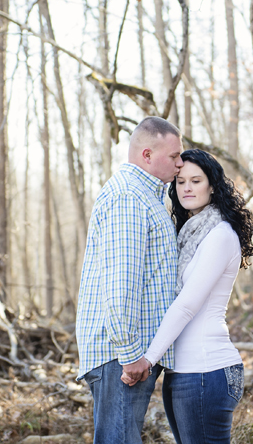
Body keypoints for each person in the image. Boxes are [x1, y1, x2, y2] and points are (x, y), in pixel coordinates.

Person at [123, 149, 253, 444]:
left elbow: (187, 304)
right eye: (181, 181)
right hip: (185, 372)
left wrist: (147, 359)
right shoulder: (189, 233)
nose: (187, 188)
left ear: (213, 185)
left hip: (206, 370)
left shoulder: (220, 234)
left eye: (196, 181)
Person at [76, 116, 184, 444]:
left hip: (128, 353)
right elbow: (122, 281)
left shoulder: (148, 196)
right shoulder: (129, 198)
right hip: (120, 356)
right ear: (147, 155)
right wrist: (130, 352)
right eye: (174, 156)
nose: (181, 164)